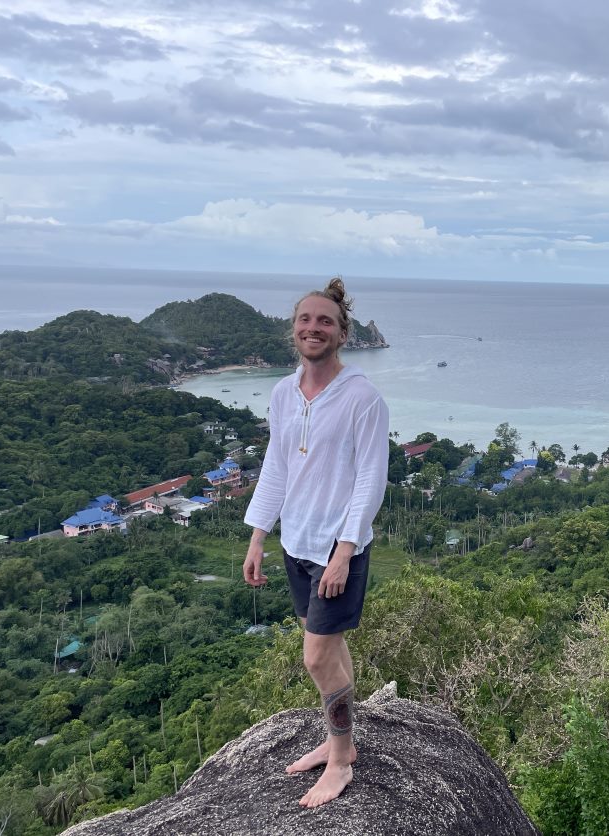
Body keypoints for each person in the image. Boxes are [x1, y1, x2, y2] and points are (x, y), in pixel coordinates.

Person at [243, 277, 389, 807]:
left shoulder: (362, 398)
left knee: (315, 657)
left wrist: (344, 553)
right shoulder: (283, 393)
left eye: (324, 321)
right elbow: (276, 469)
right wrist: (259, 536)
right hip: (296, 544)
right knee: (329, 649)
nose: (313, 328)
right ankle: (338, 743)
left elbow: (372, 480)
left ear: (342, 332)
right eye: (305, 319)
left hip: (337, 549)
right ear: (294, 331)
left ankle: (342, 759)